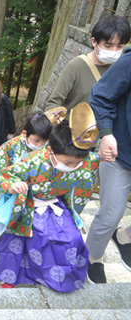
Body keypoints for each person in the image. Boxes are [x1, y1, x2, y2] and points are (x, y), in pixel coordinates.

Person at [0, 103, 99, 292]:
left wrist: (106, 154)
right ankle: (8, 277)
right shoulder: (33, 159)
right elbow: (0, 175)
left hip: (53, 204)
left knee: (70, 239)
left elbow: (92, 165)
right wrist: (11, 187)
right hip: (24, 204)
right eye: (68, 162)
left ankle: (55, 276)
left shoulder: (81, 162)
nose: (72, 166)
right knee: (14, 243)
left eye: (76, 163)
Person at [86, 43, 131, 284]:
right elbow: (101, 95)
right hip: (119, 152)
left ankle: (124, 237)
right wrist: (106, 133)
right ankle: (92, 257)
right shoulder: (129, 62)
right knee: (110, 214)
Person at [45, 15, 131, 112]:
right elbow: (53, 103)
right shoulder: (76, 66)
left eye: (119, 46)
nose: (113, 51)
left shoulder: (121, 68)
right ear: (94, 42)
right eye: (108, 46)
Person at [0, 109, 58, 203]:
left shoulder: (48, 149)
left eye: (44, 141)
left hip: (37, 198)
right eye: (36, 141)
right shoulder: (11, 146)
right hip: (11, 193)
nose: (40, 145)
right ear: (25, 133)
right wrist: (9, 185)